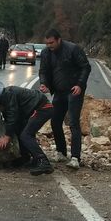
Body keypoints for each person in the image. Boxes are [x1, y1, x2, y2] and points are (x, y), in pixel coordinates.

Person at [0, 80, 54, 176]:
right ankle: (27, 158)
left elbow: (13, 116)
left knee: (26, 135)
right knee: (21, 132)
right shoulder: (3, 98)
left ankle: (43, 162)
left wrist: (7, 136)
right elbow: (10, 118)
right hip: (34, 110)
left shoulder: (9, 94)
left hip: (42, 108)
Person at [38, 28, 91, 169]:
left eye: (51, 42)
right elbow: (43, 71)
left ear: (58, 39)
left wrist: (80, 84)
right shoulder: (45, 53)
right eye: (47, 43)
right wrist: (44, 83)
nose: (49, 45)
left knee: (73, 122)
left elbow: (85, 67)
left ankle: (75, 157)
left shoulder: (73, 49)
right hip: (59, 91)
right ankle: (61, 151)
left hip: (74, 90)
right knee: (55, 121)